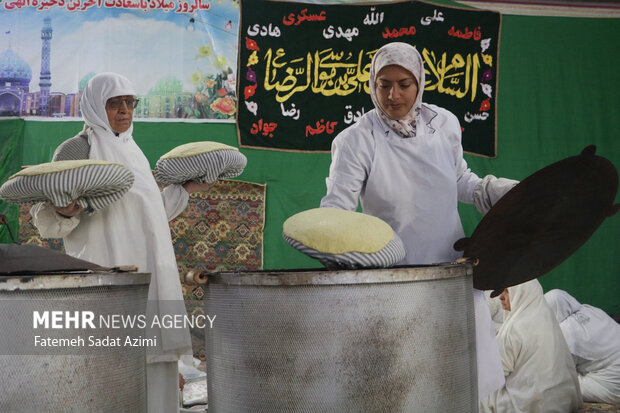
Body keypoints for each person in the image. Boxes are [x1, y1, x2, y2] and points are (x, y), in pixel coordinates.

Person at [320, 41, 518, 400]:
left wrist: (506, 194)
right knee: (403, 379)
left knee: (461, 374)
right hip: (394, 278)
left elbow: (460, 180)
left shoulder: (444, 125)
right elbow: (338, 209)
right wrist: (328, 244)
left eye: (404, 84)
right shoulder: (356, 140)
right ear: (371, 84)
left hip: (452, 268)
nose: (393, 95)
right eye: (384, 84)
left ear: (420, 82)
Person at [30, 72, 212, 413]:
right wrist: (64, 211)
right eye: (115, 103)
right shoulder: (76, 149)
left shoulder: (134, 152)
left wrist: (185, 190)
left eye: (130, 102)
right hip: (106, 276)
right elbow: (45, 220)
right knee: (108, 373)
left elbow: (150, 217)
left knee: (156, 375)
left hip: (150, 277)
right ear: (96, 106)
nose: (125, 111)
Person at [480, 280, 582, 412]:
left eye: (507, 291)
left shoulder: (515, 329)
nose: (501, 296)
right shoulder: (546, 316)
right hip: (562, 401)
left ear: (523, 293)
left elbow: (496, 372)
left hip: (532, 405)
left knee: (478, 396)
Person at [545, 289, 620, 404]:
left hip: (612, 384)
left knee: (556, 385)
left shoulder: (566, 333)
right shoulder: (591, 310)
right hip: (613, 368)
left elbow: (557, 371)